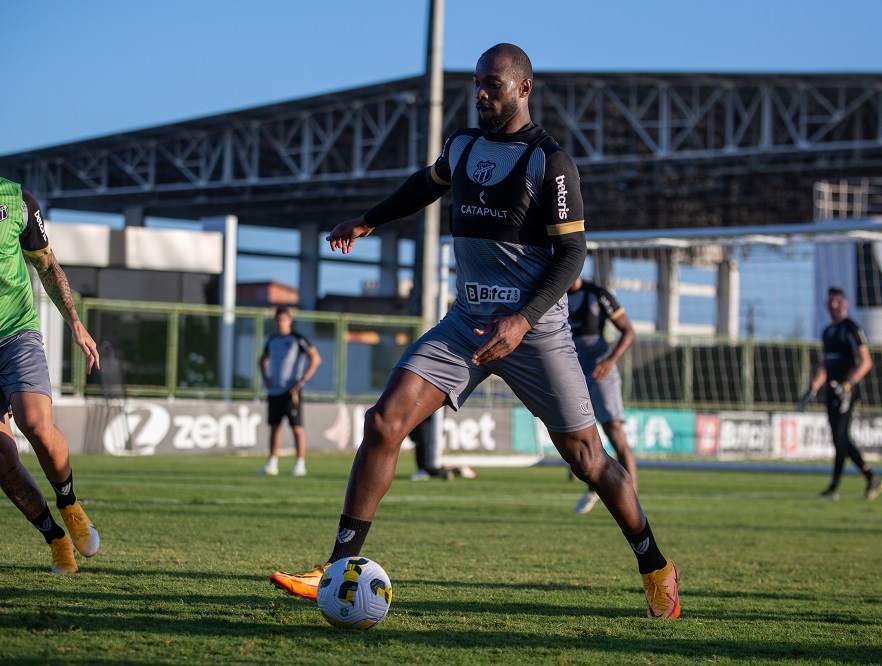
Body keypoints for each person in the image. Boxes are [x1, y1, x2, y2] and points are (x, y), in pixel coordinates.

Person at [269, 44, 680, 619]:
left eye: (493, 85)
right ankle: (337, 568)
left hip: (535, 333)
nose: (481, 94)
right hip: (466, 323)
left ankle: (654, 564)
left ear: (524, 88)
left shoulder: (549, 162)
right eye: (476, 84)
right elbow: (424, 185)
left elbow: (572, 256)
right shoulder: (462, 145)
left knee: (588, 458)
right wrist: (367, 220)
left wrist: (523, 317)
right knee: (383, 423)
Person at [0, 177, 102, 573]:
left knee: (37, 426)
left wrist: (74, 321)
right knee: (1, 455)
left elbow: (46, 264)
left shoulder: (17, 199)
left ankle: (70, 504)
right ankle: (54, 537)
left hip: (16, 334)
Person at [798, 287, 882, 501]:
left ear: (845, 303)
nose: (833, 306)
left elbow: (866, 362)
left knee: (840, 438)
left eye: (837, 302)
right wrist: (812, 389)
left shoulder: (852, 329)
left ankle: (835, 487)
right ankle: (870, 478)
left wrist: (847, 384)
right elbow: (824, 366)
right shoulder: (827, 332)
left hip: (846, 393)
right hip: (830, 391)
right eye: (830, 302)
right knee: (840, 439)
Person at [566, 277, 639, 514]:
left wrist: (610, 361)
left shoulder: (597, 294)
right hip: (572, 373)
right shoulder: (555, 294)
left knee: (615, 433)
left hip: (600, 372)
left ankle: (633, 499)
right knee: (575, 435)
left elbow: (628, 331)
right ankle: (595, 488)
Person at [258, 307, 321, 477]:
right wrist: (265, 377)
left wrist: (302, 380)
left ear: (290, 321)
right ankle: (272, 463)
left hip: (291, 391)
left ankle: (300, 464)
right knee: (274, 427)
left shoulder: (297, 339)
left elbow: (315, 358)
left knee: (297, 428)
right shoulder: (271, 340)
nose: (281, 323)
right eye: (278, 320)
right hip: (274, 391)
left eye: (284, 320)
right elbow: (262, 359)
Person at [409, 414, 476, 481]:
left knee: (424, 441)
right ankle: (423, 470)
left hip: (429, 415)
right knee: (419, 441)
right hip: (420, 415)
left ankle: (457, 470)